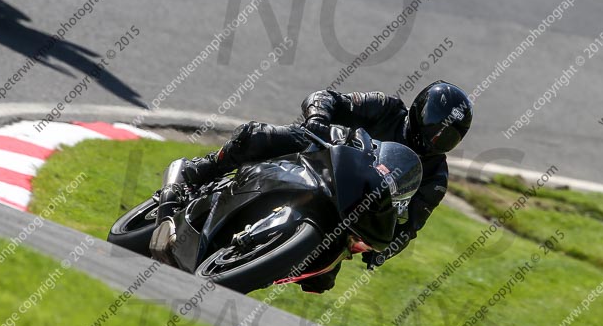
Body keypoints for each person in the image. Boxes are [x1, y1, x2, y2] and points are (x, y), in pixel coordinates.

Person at [179, 81, 474, 293]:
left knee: (321, 279)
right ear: (420, 112)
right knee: (257, 136)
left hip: (353, 214)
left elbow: (412, 223)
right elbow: (328, 97)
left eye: (446, 137)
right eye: (435, 128)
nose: (435, 140)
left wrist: (386, 249)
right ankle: (203, 170)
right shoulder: (387, 108)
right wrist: (319, 117)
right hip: (323, 158)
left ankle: (249, 264)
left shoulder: (436, 175)